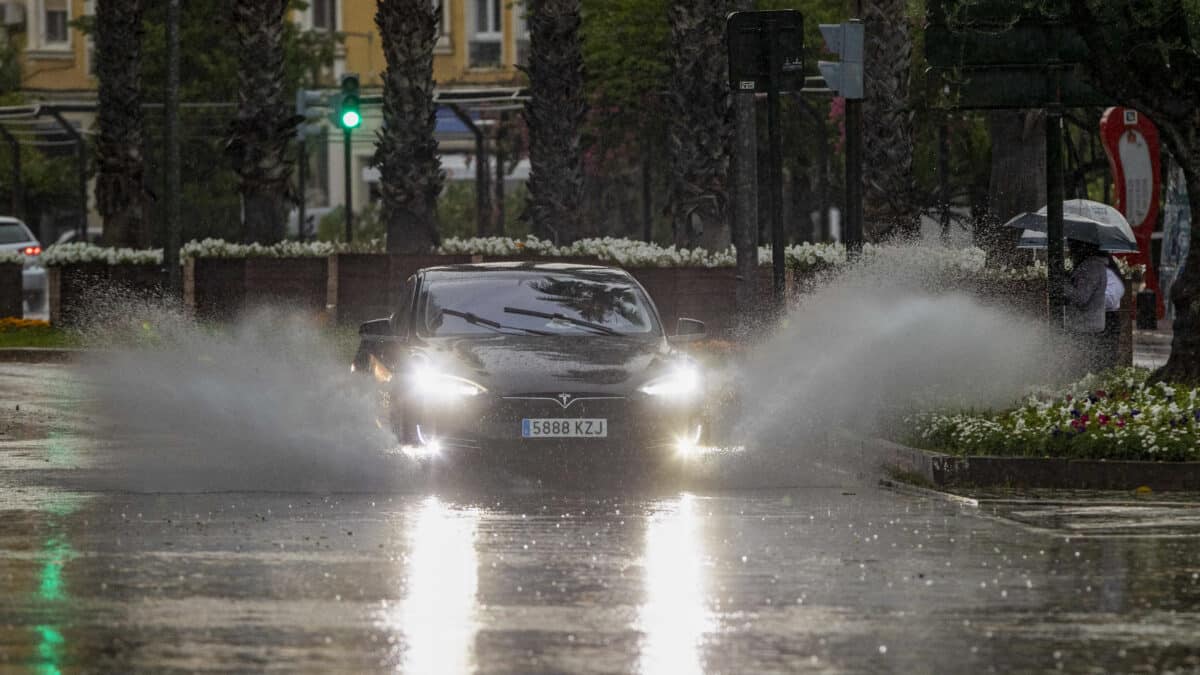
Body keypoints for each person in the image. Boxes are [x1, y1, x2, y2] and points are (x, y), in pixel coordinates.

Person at [1063, 240, 1108, 374]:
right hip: (1088, 324)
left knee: (1081, 368)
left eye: (1071, 247)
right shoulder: (1093, 265)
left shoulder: (1090, 267)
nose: (1069, 251)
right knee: (1085, 367)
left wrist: (1063, 284)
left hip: (1085, 326)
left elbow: (1081, 297)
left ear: (1081, 247)